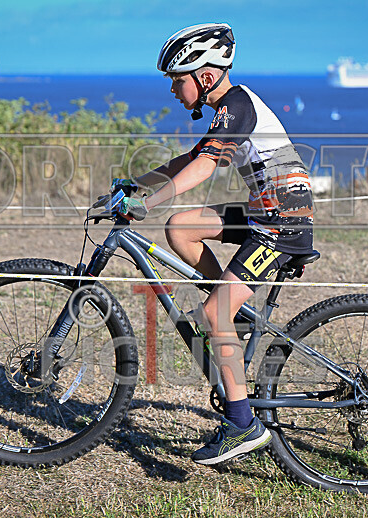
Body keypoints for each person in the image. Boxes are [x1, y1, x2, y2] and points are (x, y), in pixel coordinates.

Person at [115, 23, 315, 465]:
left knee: (211, 314)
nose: (172, 89)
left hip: (281, 226)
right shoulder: (227, 109)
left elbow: (205, 168)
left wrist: (146, 202)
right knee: (182, 227)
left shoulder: (237, 104)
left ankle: (243, 425)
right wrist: (137, 185)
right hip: (265, 215)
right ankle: (231, 315)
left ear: (204, 78)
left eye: (176, 80)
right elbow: (189, 159)